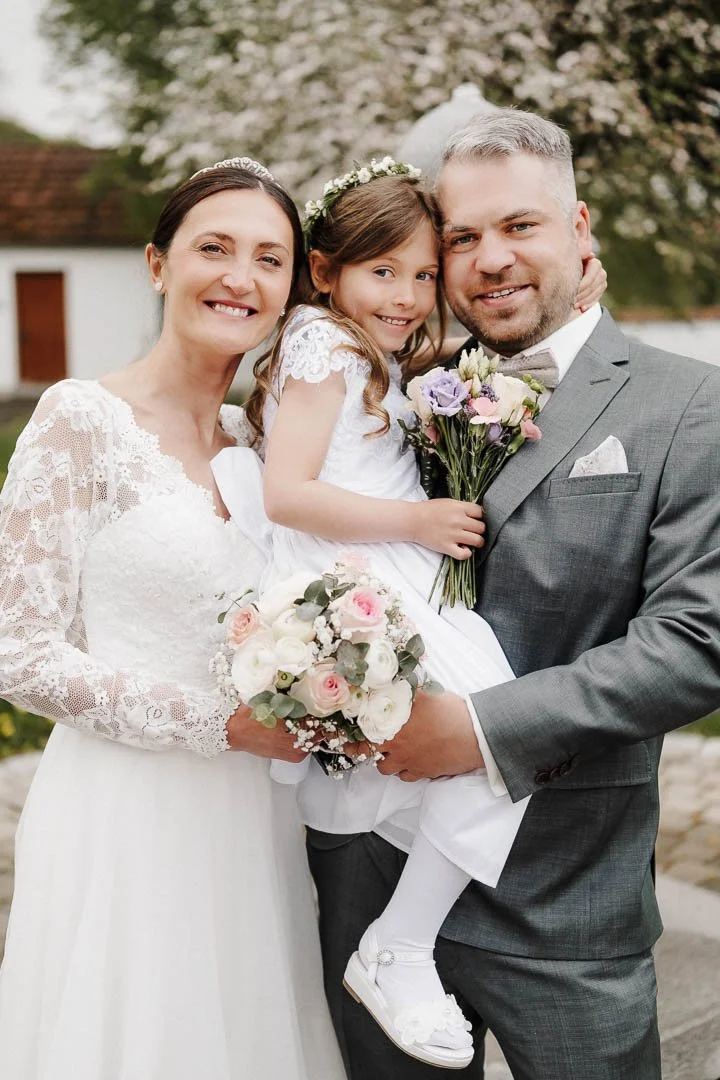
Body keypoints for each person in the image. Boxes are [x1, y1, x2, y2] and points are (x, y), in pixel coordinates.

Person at [302, 110, 720, 1080]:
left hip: (567, 897)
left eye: (520, 226)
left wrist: (480, 732)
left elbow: (696, 640)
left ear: (580, 228)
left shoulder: (689, 406)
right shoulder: (396, 393)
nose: (491, 259)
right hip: (375, 871)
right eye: (462, 237)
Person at [212, 159, 606, 1069]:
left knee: (491, 744)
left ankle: (402, 942)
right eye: (383, 271)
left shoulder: (358, 348)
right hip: (368, 566)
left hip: (397, 569)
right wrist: (419, 521)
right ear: (325, 272)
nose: (408, 295)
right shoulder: (325, 346)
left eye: (425, 274)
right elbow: (287, 492)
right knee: (499, 740)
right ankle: (399, 946)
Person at [0, 158, 346, 1080]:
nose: (241, 277)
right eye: (214, 248)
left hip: (255, 820)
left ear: (291, 288)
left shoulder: (263, 444)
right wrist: (222, 724)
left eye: (269, 258)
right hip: (126, 818)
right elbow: (19, 653)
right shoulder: (80, 420)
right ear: (159, 265)